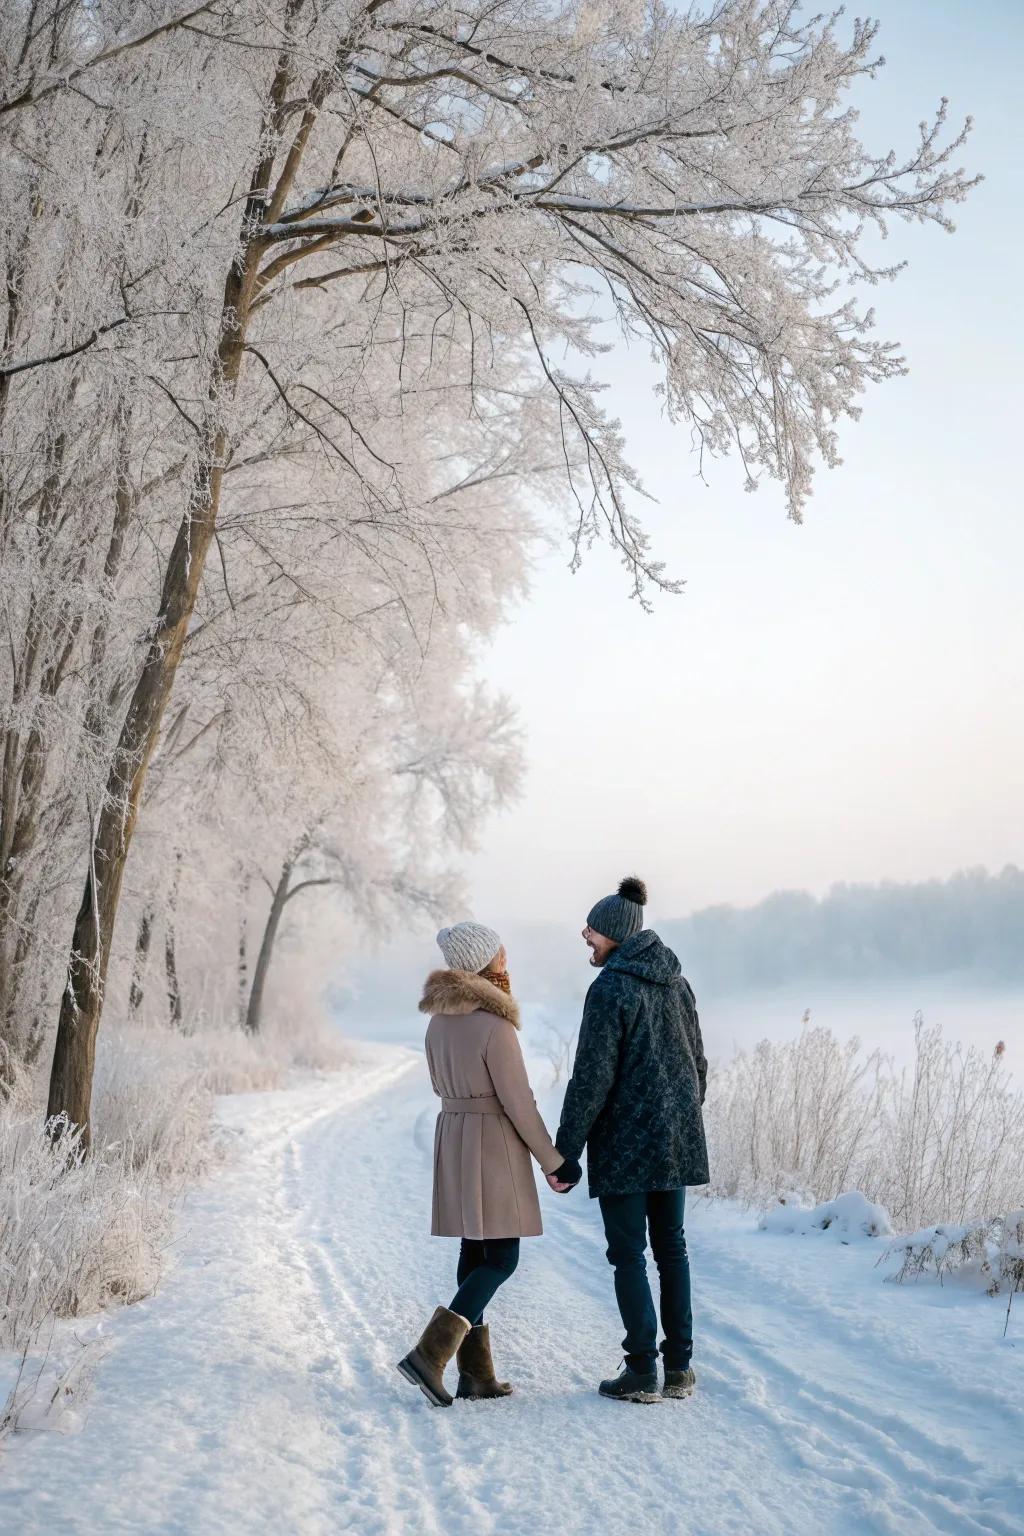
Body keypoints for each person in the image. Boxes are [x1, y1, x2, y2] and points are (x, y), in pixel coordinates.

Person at [397, 921, 581, 1407]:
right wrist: (554, 1161)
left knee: (474, 1250)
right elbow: (519, 1104)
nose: (505, 960)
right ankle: (430, 1354)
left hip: (455, 1137)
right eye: (499, 954)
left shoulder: (437, 1023)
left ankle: (476, 1375)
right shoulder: (495, 1026)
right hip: (492, 1142)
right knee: (501, 1257)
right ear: (482, 964)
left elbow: (440, 1086)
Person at [553, 877, 709, 1403]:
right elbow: (699, 1065)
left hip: (624, 1143)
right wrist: (680, 1116)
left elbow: (591, 1079)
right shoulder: (677, 983)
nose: (585, 935)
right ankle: (680, 1368)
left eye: (592, 929)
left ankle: (642, 1370)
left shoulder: (610, 989)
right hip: (675, 1140)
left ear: (616, 934)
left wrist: (565, 1151)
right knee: (672, 1250)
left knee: (628, 1256)